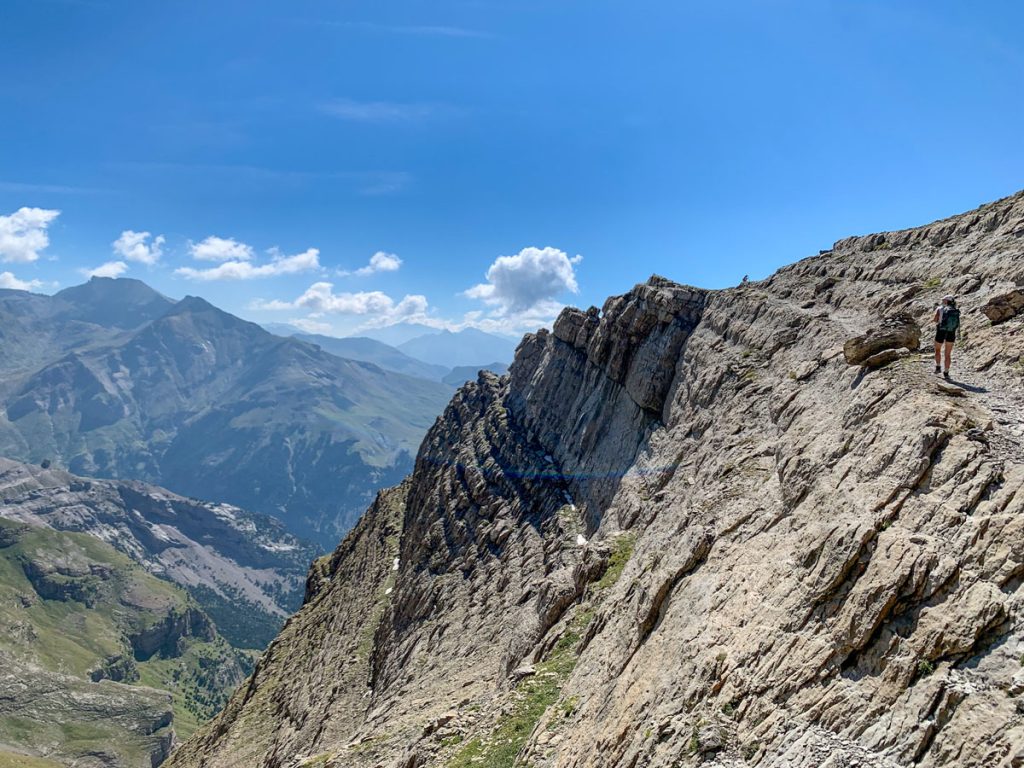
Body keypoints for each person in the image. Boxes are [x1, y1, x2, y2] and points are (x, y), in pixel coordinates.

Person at [933, 295, 960, 379]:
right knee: (948, 354)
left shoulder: (940, 309)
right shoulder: (955, 310)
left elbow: (935, 319)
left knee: (937, 349)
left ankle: (938, 367)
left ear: (946, 301)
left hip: (941, 330)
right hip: (951, 332)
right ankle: (946, 372)